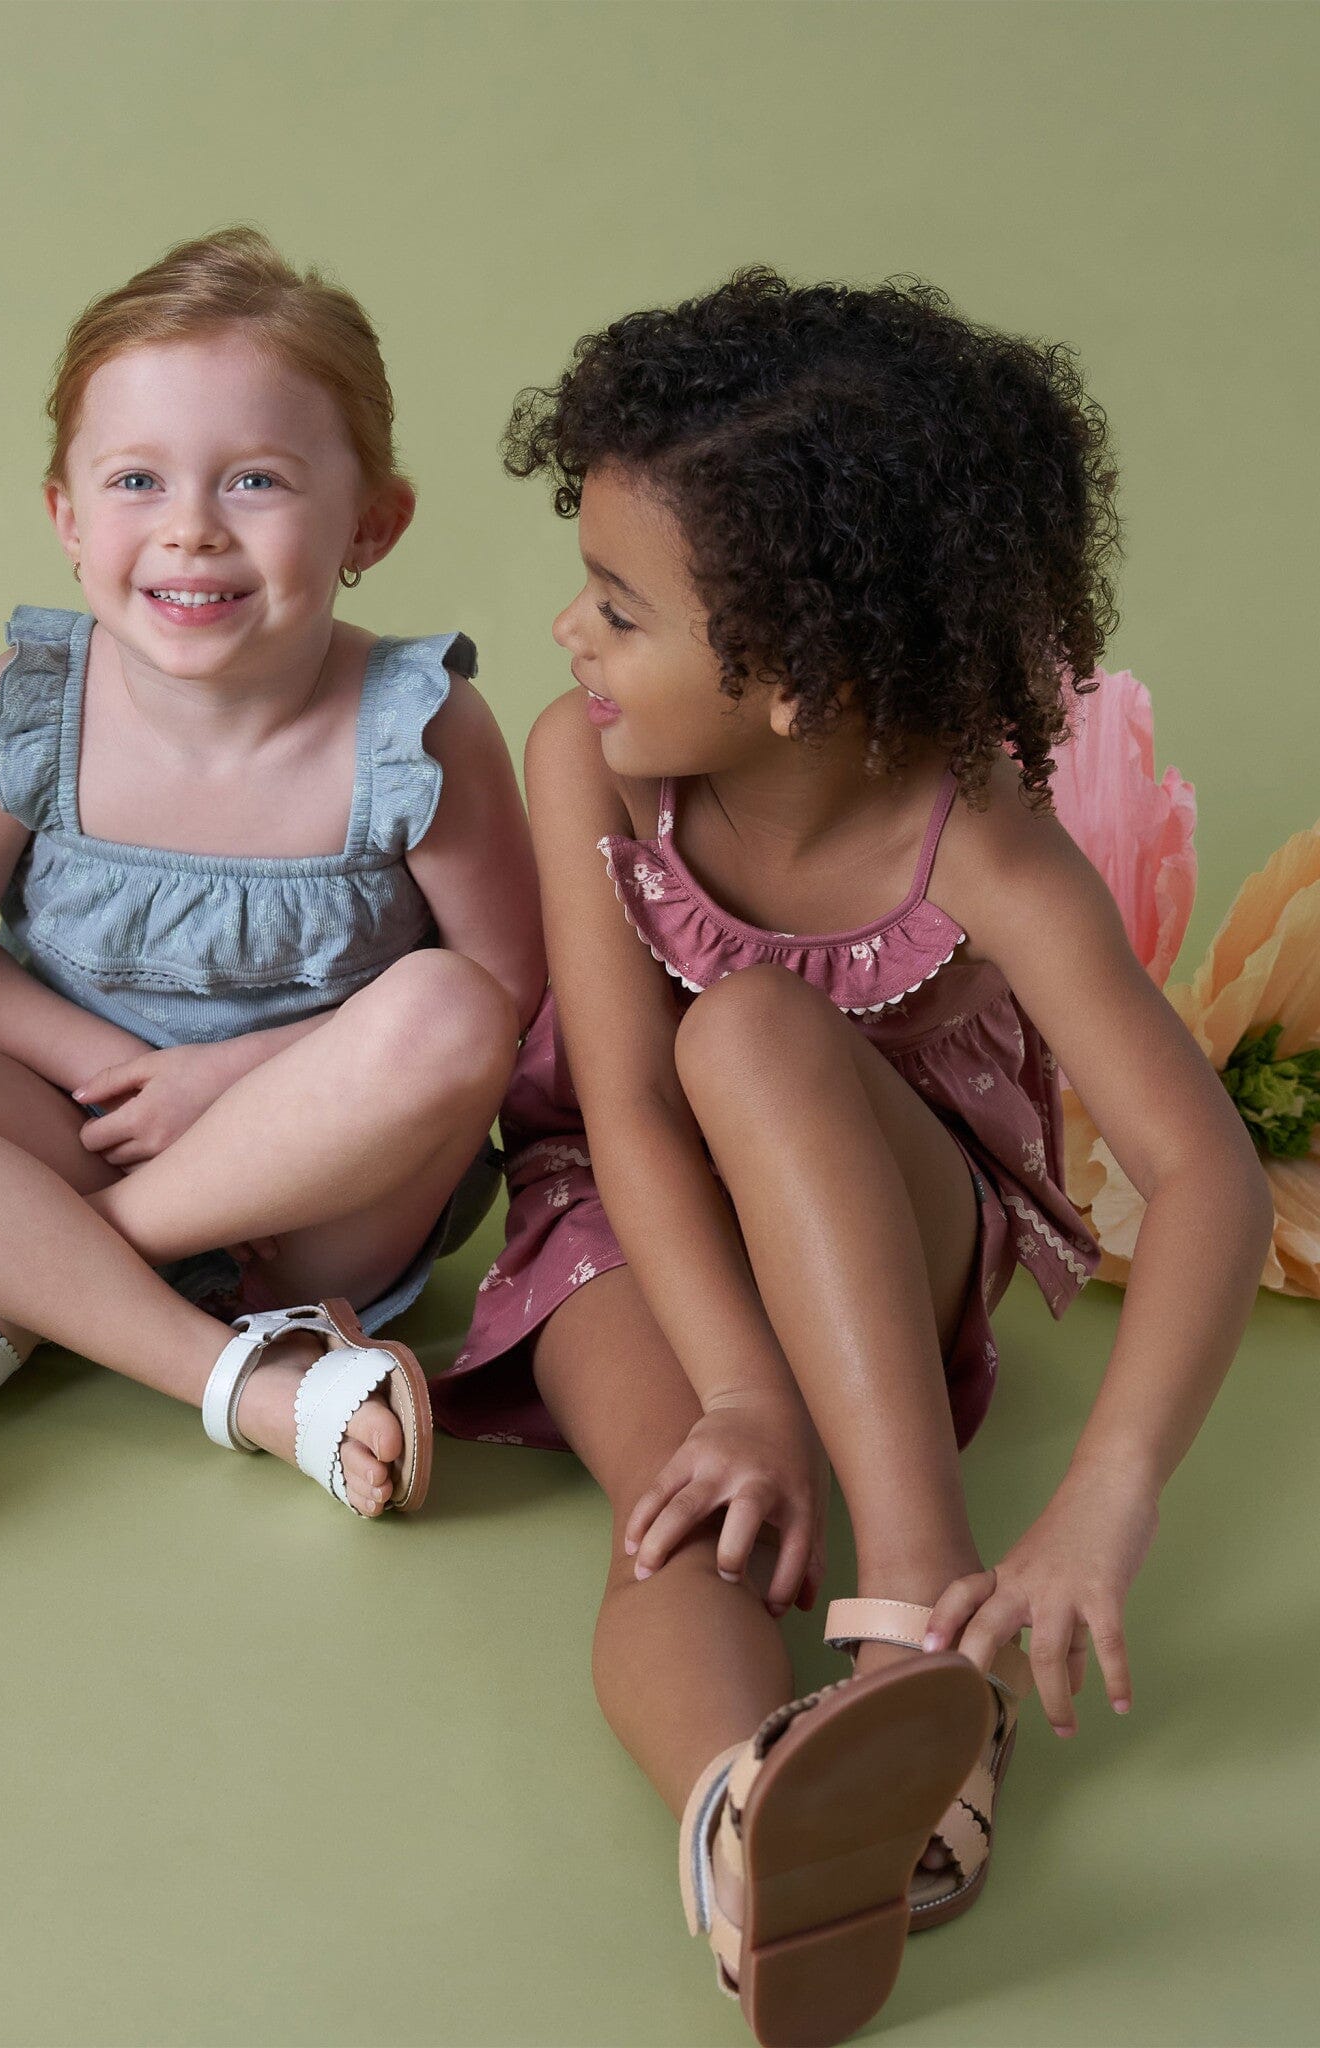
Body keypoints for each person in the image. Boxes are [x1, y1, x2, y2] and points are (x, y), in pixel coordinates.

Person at [433, 270, 1272, 2044]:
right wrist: (736, 1392)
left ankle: (914, 1635)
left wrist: (1105, 1496)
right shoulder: (588, 763)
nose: (570, 638)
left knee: (744, 1024)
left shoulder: (980, 845)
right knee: (677, 1510)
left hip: (887, 1217)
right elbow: (622, 1111)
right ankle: (750, 1815)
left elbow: (1208, 1176)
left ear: (801, 679)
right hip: (632, 1215)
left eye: (618, 607)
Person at [0, 228, 541, 1518]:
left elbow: (501, 991)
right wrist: (115, 1081)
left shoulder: (415, 725)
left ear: (371, 524)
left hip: (319, 1199)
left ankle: (22, 1287)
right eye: (133, 481)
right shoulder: (28, 703)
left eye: (259, 480)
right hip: (77, 1129)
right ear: (64, 515)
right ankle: (246, 1383)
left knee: (445, 1012)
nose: (191, 532)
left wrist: (222, 1082)